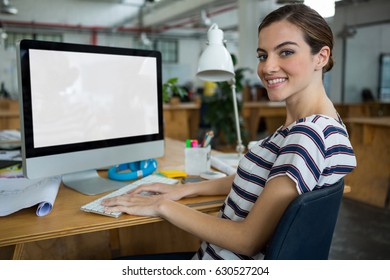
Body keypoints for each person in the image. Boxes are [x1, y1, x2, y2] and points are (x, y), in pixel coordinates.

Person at [102, 4, 357, 260]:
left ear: (321, 57)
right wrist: (186, 190)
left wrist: (161, 205)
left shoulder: (308, 136)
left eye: (286, 52)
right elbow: (260, 179)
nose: (268, 67)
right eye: (262, 55)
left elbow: (245, 240)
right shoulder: (321, 125)